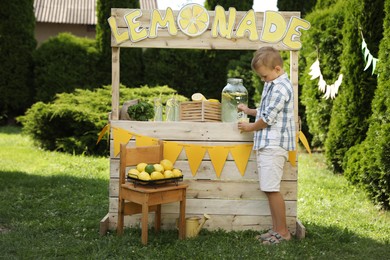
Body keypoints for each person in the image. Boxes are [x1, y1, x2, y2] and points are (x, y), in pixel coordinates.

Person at [237, 46, 295, 245]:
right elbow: (264, 110)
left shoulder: (281, 87)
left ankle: (283, 231)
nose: (263, 80)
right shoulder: (273, 83)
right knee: (269, 189)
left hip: (274, 145)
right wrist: (249, 110)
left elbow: (268, 118)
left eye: (264, 76)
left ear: (277, 69)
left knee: (272, 189)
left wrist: (249, 127)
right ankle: (276, 229)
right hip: (267, 145)